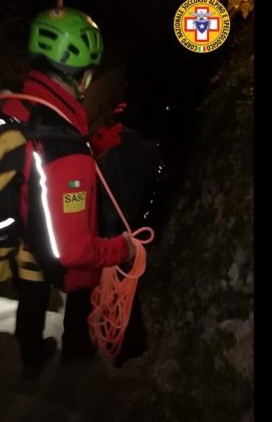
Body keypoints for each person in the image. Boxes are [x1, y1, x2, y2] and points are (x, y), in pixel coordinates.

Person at [0, 6, 136, 377]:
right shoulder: (66, 148)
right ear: (84, 76)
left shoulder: (12, 103)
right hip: (51, 241)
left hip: (22, 234)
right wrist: (123, 249)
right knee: (81, 279)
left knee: (32, 294)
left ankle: (31, 356)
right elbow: (76, 251)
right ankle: (74, 354)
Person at [90, 100, 161, 367]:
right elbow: (153, 182)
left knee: (117, 286)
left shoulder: (112, 151)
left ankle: (123, 344)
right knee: (130, 283)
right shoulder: (150, 150)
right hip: (136, 225)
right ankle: (133, 341)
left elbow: (102, 188)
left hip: (114, 225)